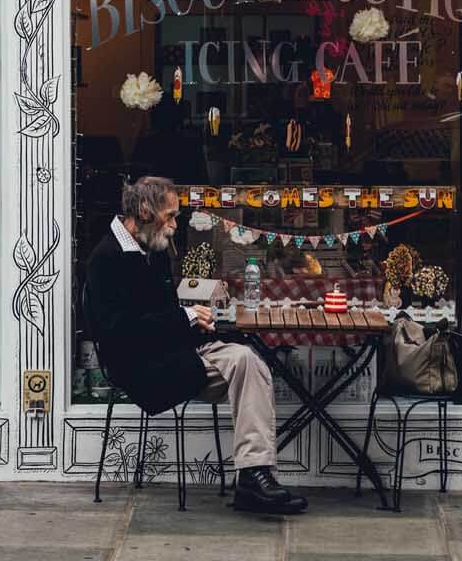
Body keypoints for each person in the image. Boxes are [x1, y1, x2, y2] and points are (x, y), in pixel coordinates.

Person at [86, 176, 306, 515]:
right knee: (245, 364)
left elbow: (164, 314)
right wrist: (184, 318)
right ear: (145, 210)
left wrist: (196, 323)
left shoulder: (153, 245)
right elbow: (120, 331)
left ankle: (253, 475)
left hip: (174, 350)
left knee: (248, 359)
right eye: (170, 216)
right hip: (140, 367)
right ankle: (253, 479)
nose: (175, 225)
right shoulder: (107, 257)